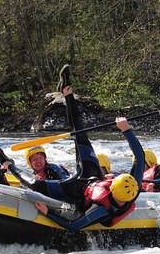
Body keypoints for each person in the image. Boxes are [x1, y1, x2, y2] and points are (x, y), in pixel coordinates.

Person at [32, 84, 145, 232]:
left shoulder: (101, 210)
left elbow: (74, 226)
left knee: (36, 184)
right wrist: (126, 130)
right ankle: (68, 95)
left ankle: (8, 164)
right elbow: (140, 156)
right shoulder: (134, 185)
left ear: (112, 188)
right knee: (80, 135)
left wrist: (48, 213)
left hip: (77, 193)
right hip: (94, 177)